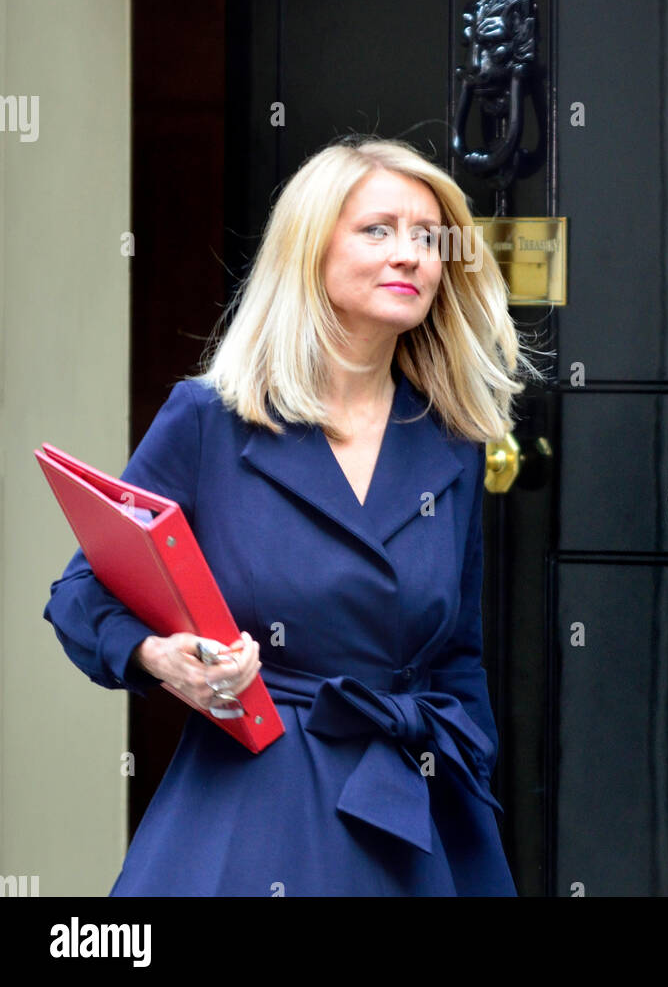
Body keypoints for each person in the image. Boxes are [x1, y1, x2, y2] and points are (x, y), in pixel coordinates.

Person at [44, 135, 543, 896]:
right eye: (377, 229)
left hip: (418, 810)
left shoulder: (453, 439)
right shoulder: (210, 420)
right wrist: (159, 657)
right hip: (256, 800)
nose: (409, 254)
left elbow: (458, 654)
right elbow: (82, 592)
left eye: (428, 237)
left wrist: (467, 778)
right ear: (310, 249)